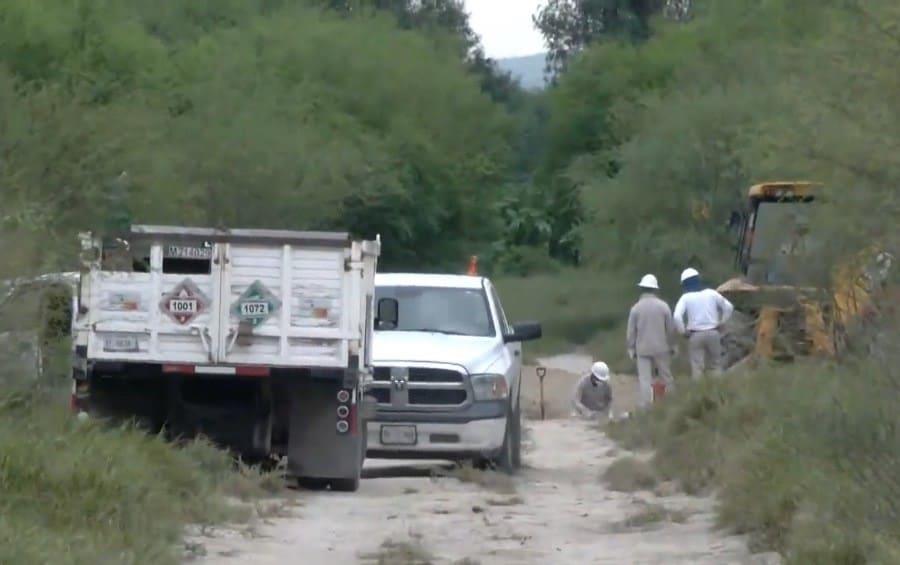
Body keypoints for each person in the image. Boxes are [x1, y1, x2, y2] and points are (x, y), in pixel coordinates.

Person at [673, 268, 734, 378]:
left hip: (695, 335)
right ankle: (718, 387)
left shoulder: (686, 298)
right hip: (713, 333)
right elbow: (729, 307)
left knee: (697, 368)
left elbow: (677, 316)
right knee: (715, 366)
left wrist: (683, 332)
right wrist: (722, 322)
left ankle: (699, 388)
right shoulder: (712, 293)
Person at [626, 274, 676, 408]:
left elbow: (631, 332)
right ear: (655, 289)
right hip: (661, 348)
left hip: (642, 348)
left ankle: (647, 407)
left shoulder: (636, 308)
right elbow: (670, 329)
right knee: (666, 377)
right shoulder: (663, 306)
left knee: (645, 380)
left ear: (642, 289)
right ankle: (672, 403)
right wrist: (672, 345)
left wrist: (631, 348)